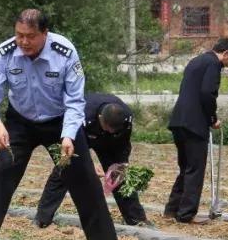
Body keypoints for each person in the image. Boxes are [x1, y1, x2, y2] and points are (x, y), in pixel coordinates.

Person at [0, 8, 119, 240]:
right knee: (2, 172)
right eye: (19, 35)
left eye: (30, 36)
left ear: (45, 34)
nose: (23, 42)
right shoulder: (5, 53)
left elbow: (75, 100)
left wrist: (68, 135)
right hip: (20, 121)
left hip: (60, 122)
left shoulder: (64, 52)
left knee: (83, 178)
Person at [34, 93, 150, 228]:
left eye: (114, 129)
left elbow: (123, 145)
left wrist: (121, 164)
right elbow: (71, 139)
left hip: (112, 144)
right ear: (100, 118)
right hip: (82, 135)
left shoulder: (125, 118)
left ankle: (136, 219)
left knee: (119, 175)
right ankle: (43, 217)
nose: (111, 131)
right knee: (64, 171)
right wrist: (87, 162)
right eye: (108, 128)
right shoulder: (83, 113)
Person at [164, 37, 228, 224]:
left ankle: (172, 210)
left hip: (179, 121)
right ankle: (186, 214)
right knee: (195, 169)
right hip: (194, 123)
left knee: (185, 167)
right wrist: (212, 118)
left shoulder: (196, 61)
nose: (227, 65)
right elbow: (207, 93)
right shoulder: (213, 64)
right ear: (226, 54)